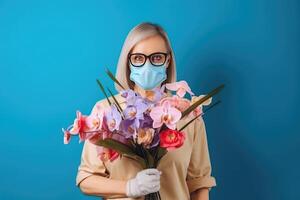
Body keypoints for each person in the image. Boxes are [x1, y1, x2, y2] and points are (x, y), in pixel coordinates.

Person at [75, 22, 217, 200]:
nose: (147, 66)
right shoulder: (105, 112)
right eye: (138, 58)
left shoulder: (187, 114)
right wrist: (129, 187)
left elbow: (199, 182)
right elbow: (86, 179)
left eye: (157, 57)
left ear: (168, 60)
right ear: (128, 61)